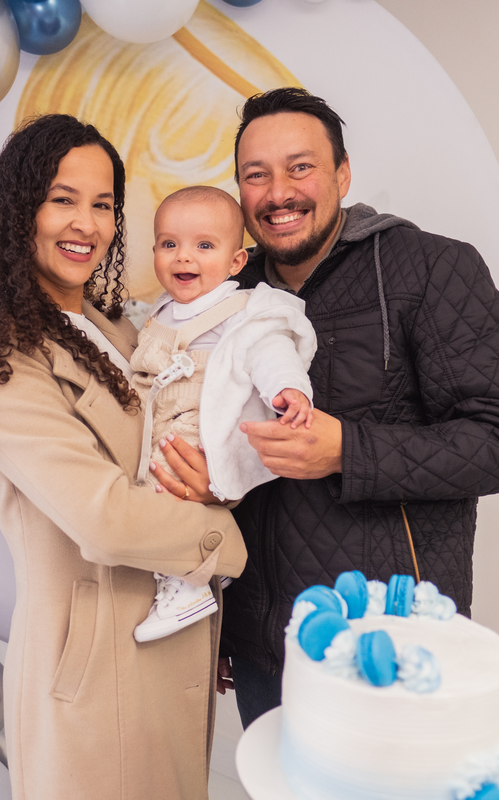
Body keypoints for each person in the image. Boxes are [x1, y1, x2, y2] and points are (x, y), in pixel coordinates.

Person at [0, 115, 247, 800]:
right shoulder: (1, 355)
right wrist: (224, 538)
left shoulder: (117, 326)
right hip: (96, 676)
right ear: (20, 210)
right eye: (62, 199)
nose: (86, 224)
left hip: (166, 645)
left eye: (103, 204)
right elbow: (105, 519)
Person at [216, 88, 499, 728]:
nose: (278, 192)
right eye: (256, 175)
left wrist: (348, 450)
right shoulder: (229, 292)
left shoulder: (431, 269)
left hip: (391, 645)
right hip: (265, 651)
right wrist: (222, 619)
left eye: (300, 167)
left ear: (343, 174)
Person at [130, 186, 316, 643]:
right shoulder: (160, 310)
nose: (183, 257)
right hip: (158, 416)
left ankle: (190, 581)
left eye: (203, 245)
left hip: (200, 421)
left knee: (165, 486)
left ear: (236, 262)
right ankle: (193, 565)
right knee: (137, 489)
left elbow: (271, 351)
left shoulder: (244, 312)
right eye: (169, 244)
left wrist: (288, 389)